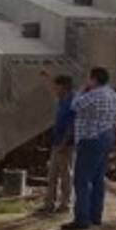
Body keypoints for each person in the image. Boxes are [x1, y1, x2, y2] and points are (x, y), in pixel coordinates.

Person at [62, 66, 116, 230]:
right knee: (98, 179)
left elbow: (74, 106)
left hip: (91, 138)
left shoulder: (93, 94)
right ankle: (96, 216)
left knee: (82, 180)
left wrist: (82, 90)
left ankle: (82, 219)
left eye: (88, 78)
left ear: (94, 79)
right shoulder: (111, 93)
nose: (86, 80)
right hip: (106, 136)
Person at [39, 72, 76, 214]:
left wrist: (63, 143)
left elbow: (71, 126)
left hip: (66, 144)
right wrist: (47, 78)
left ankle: (65, 204)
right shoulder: (62, 99)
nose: (55, 89)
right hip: (57, 142)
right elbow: (52, 89)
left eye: (57, 87)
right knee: (52, 174)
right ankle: (49, 203)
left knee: (65, 175)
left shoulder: (72, 101)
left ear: (64, 87)